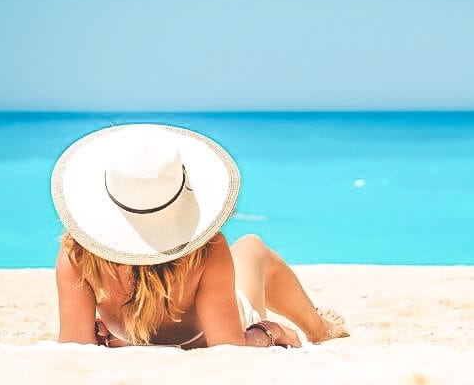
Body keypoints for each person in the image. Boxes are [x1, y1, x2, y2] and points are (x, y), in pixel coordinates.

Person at [51, 124, 348, 349]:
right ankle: (321, 330)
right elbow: (229, 350)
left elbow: (76, 349)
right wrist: (271, 332)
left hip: (128, 336)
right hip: (203, 337)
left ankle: (321, 327)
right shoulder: (208, 249)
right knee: (251, 246)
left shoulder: (76, 253)